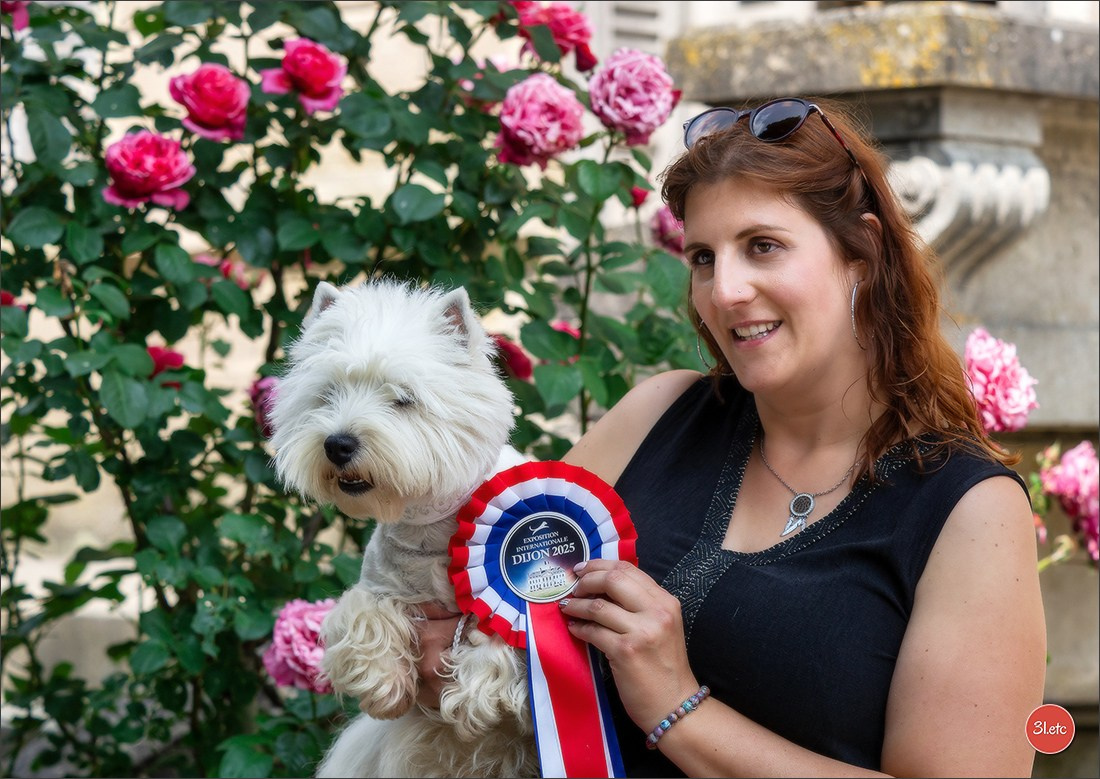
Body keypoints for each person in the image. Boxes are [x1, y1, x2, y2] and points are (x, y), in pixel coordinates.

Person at [418, 96, 1047, 777]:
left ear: (861, 251)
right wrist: (449, 649)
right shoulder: (656, 413)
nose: (725, 291)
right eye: (703, 257)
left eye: (762, 246)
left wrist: (678, 705)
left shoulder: (968, 510)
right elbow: (477, 596)